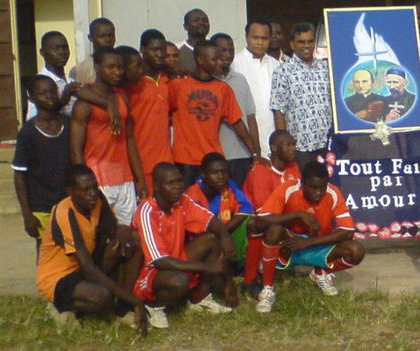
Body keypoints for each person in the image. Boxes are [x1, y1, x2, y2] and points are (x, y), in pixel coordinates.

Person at [37, 165, 147, 333]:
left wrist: (126, 239)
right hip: (60, 277)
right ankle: (61, 307)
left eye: (95, 187)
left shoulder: (97, 201)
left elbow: (114, 229)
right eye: (85, 189)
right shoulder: (64, 213)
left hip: (85, 266)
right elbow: (88, 268)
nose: (92, 193)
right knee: (101, 297)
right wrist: (136, 300)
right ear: (70, 191)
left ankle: (123, 310)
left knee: (133, 242)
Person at [132, 163, 236, 329]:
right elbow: (159, 261)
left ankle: (199, 298)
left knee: (212, 239)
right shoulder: (146, 212)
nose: (177, 187)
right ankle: (153, 306)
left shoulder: (182, 201)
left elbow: (209, 220)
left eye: (179, 181)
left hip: (176, 259)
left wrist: (225, 236)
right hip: (151, 272)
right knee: (179, 280)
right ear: (157, 187)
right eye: (170, 183)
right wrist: (207, 267)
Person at [252, 160, 365, 307]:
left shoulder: (333, 192)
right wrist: (297, 215)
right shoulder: (288, 188)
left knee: (356, 251)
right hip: (290, 245)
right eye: (312, 187)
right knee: (274, 231)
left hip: (317, 244)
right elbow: (262, 220)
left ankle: (320, 273)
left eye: (322, 187)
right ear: (302, 183)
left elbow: (348, 231)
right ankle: (268, 289)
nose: (318, 192)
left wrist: (307, 242)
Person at [69, 47, 147, 225]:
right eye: (110, 67)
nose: (117, 72)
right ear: (97, 67)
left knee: (129, 234)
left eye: (120, 67)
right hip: (97, 179)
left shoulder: (122, 99)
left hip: (124, 179)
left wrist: (140, 178)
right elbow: (75, 150)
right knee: (100, 233)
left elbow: (129, 140)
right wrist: (84, 185)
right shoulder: (84, 105)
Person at [168, 41, 260, 184]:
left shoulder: (223, 89)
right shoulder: (178, 86)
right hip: (185, 160)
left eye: (220, 58)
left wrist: (254, 152)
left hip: (212, 160)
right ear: (200, 60)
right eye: (214, 59)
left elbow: (237, 122)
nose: (220, 63)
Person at [13, 76, 70, 255]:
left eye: (53, 91)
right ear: (31, 98)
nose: (50, 96)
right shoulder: (28, 132)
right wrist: (27, 214)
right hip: (42, 206)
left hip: (68, 201)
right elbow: (20, 174)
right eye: (43, 93)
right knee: (47, 252)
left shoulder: (68, 125)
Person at [241, 130, 301, 296]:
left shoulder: (293, 168)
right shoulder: (260, 171)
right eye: (288, 145)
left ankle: (317, 271)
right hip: (257, 223)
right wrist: (296, 215)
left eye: (293, 144)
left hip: (283, 220)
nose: (293, 148)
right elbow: (263, 214)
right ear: (274, 148)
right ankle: (250, 279)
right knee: (261, 225)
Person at [270, 22, 332, 171]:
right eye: (301, 42)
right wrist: (284, 146)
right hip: (300, 148)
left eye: (310, 41)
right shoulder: (283, 71)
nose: (306, 46)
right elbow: (279, 110)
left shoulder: (326, 68)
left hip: (327, 144)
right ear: (292, 44)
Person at [123, 29, 174, 194]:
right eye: (154, 50)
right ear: (142, 50)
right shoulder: (131, 83)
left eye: (162, 50)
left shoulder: (167, 79)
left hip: (166, 161)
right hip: (140, 162)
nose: (160, 54)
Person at [212, 32, 261, 187]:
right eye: (223, 50)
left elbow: (250, 118)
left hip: (243, 155)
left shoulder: (240, 79)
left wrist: (256, 152)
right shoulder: (207, 82)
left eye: (231, 50)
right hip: (218, 158)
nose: (227, 55)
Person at [232, 20, 278, 158]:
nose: (260, 42)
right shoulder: (235, 63)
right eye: (255, 38)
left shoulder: (277, 65)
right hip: (244, 141)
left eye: (264, 38)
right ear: (246, 37)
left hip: (272, 137)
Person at [28, 31, 79, 119]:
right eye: (55, 48)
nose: (61, 52)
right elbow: (35, 119)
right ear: (42, 52)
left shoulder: (71, 81)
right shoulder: (38, 84)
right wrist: (63, 99)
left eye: (65, 48)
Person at [70, 17, 116, 85]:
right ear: (90, 37)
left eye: (111, 35)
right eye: (102, 36)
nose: (108, 40)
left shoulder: (123, 63)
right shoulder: (80, 69)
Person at [177, 8, 210, 73]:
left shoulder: (216, 49)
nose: (201, 23)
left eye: (205, 20)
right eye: (196, 20)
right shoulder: (177, 50)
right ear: (185, 26)